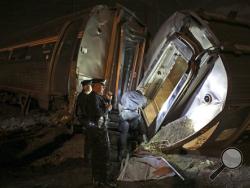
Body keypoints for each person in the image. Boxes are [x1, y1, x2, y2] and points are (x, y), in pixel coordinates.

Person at [86, 78, 114, 188]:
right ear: (96, 86)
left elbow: (102, 107)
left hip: (98, 130)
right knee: (104, 156)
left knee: (97, 155)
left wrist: (108, 100)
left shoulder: (96, 96)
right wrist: (108, 109)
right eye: (102, 86)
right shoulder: (93, 98)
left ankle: (97, 179)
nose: (103, 88)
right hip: (99, 131)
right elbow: (98, 113)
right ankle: (104, 181)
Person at [118, 89, 148, 161]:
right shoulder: (143, 98)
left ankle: (121, 153)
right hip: (134, 116)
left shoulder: (126, 93)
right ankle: (144, 141)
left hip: (124, 114)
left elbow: (121, 102)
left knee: (123, 133)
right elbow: (144, 105)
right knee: (139, 123)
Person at [75, 79, 92, 164]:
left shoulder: (86, 96)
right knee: (89, 138)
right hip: (85, 119)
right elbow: (83, 110)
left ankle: (88, 157)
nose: (90, 88)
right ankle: (87, 158)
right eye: (89, 86)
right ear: (85, 87)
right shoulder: (83, 97)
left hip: (86, 118)